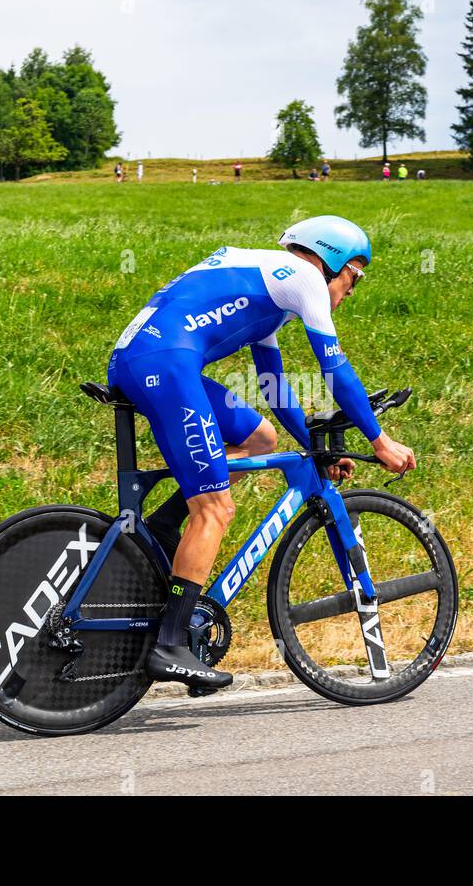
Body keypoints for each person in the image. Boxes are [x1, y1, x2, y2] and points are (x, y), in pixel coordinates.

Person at [106, 216, 416, 690]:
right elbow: (334, 368)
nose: (353, 289)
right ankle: (169, 643)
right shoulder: (306, 279)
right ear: (330, 259)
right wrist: (381, 441)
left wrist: (314, 447)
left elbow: (273, 386)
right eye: (355, 274)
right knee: (214, 510)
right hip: (166, 365)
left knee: (261, 439)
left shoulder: (272, 283)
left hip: (151, 360)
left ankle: (165, 526)